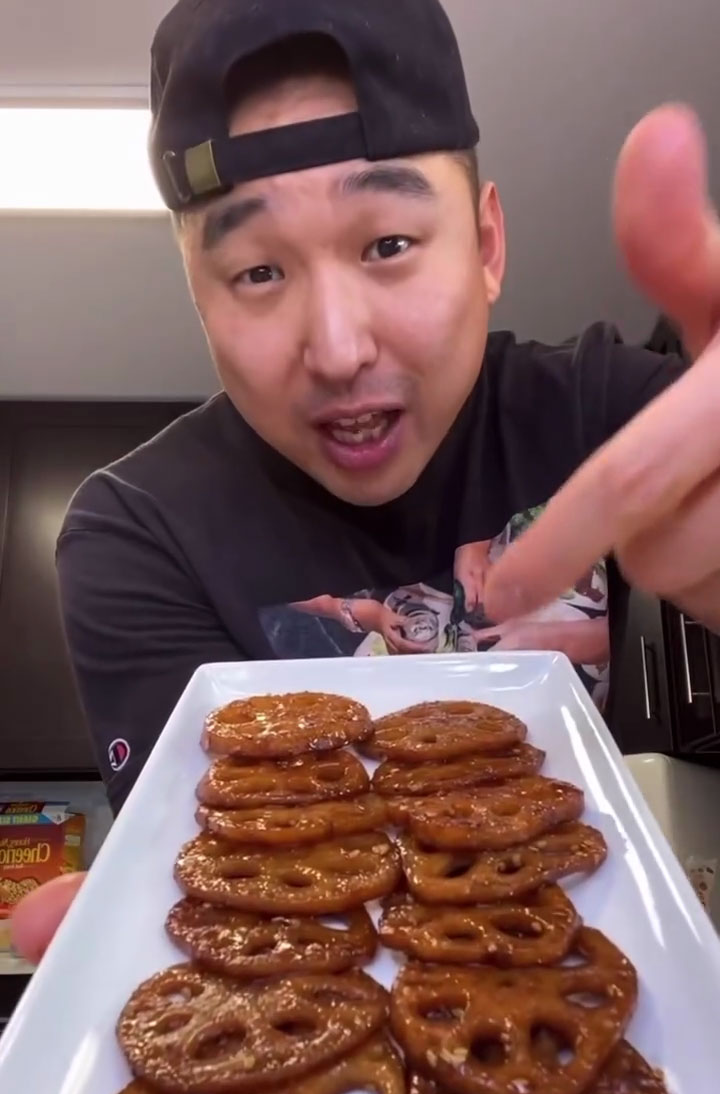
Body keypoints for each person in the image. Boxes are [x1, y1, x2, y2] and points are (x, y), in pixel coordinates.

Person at [12, 0, 720, 963]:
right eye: (258, 272)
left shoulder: (609, 413)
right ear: (198, 299)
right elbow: (227, 879)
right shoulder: (137, 534)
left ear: (487, 247)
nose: (338, 350)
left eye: (387, 245)